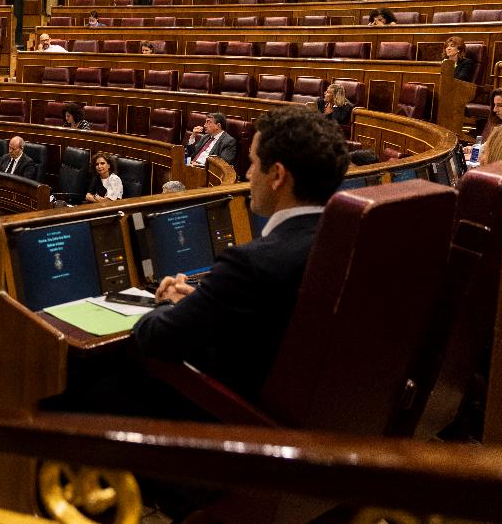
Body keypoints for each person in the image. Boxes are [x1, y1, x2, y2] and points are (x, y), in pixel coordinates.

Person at [132, 104, 349, 400]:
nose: (247, 174)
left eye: (253, 163)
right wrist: (206, 300)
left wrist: (170, 303)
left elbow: (155, 337)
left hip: (236, 412)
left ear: (277, 175)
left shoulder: (249, 264)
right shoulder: (347, 243)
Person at [479, 86, 502, 165]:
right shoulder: (500, 126)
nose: (494, 109)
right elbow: (487, 147)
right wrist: (475, 149)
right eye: (494, 105)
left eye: (500, 105)